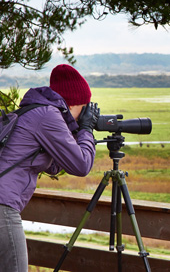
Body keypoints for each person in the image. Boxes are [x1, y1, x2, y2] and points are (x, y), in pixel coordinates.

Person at [0, 64, 100, 272]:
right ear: (74, 104)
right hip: (3, 206)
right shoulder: (48, 115)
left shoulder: (35, 111)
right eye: (85, 108)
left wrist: (73, 134)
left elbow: (54, 166)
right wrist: (87, 130)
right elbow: (81, 165)